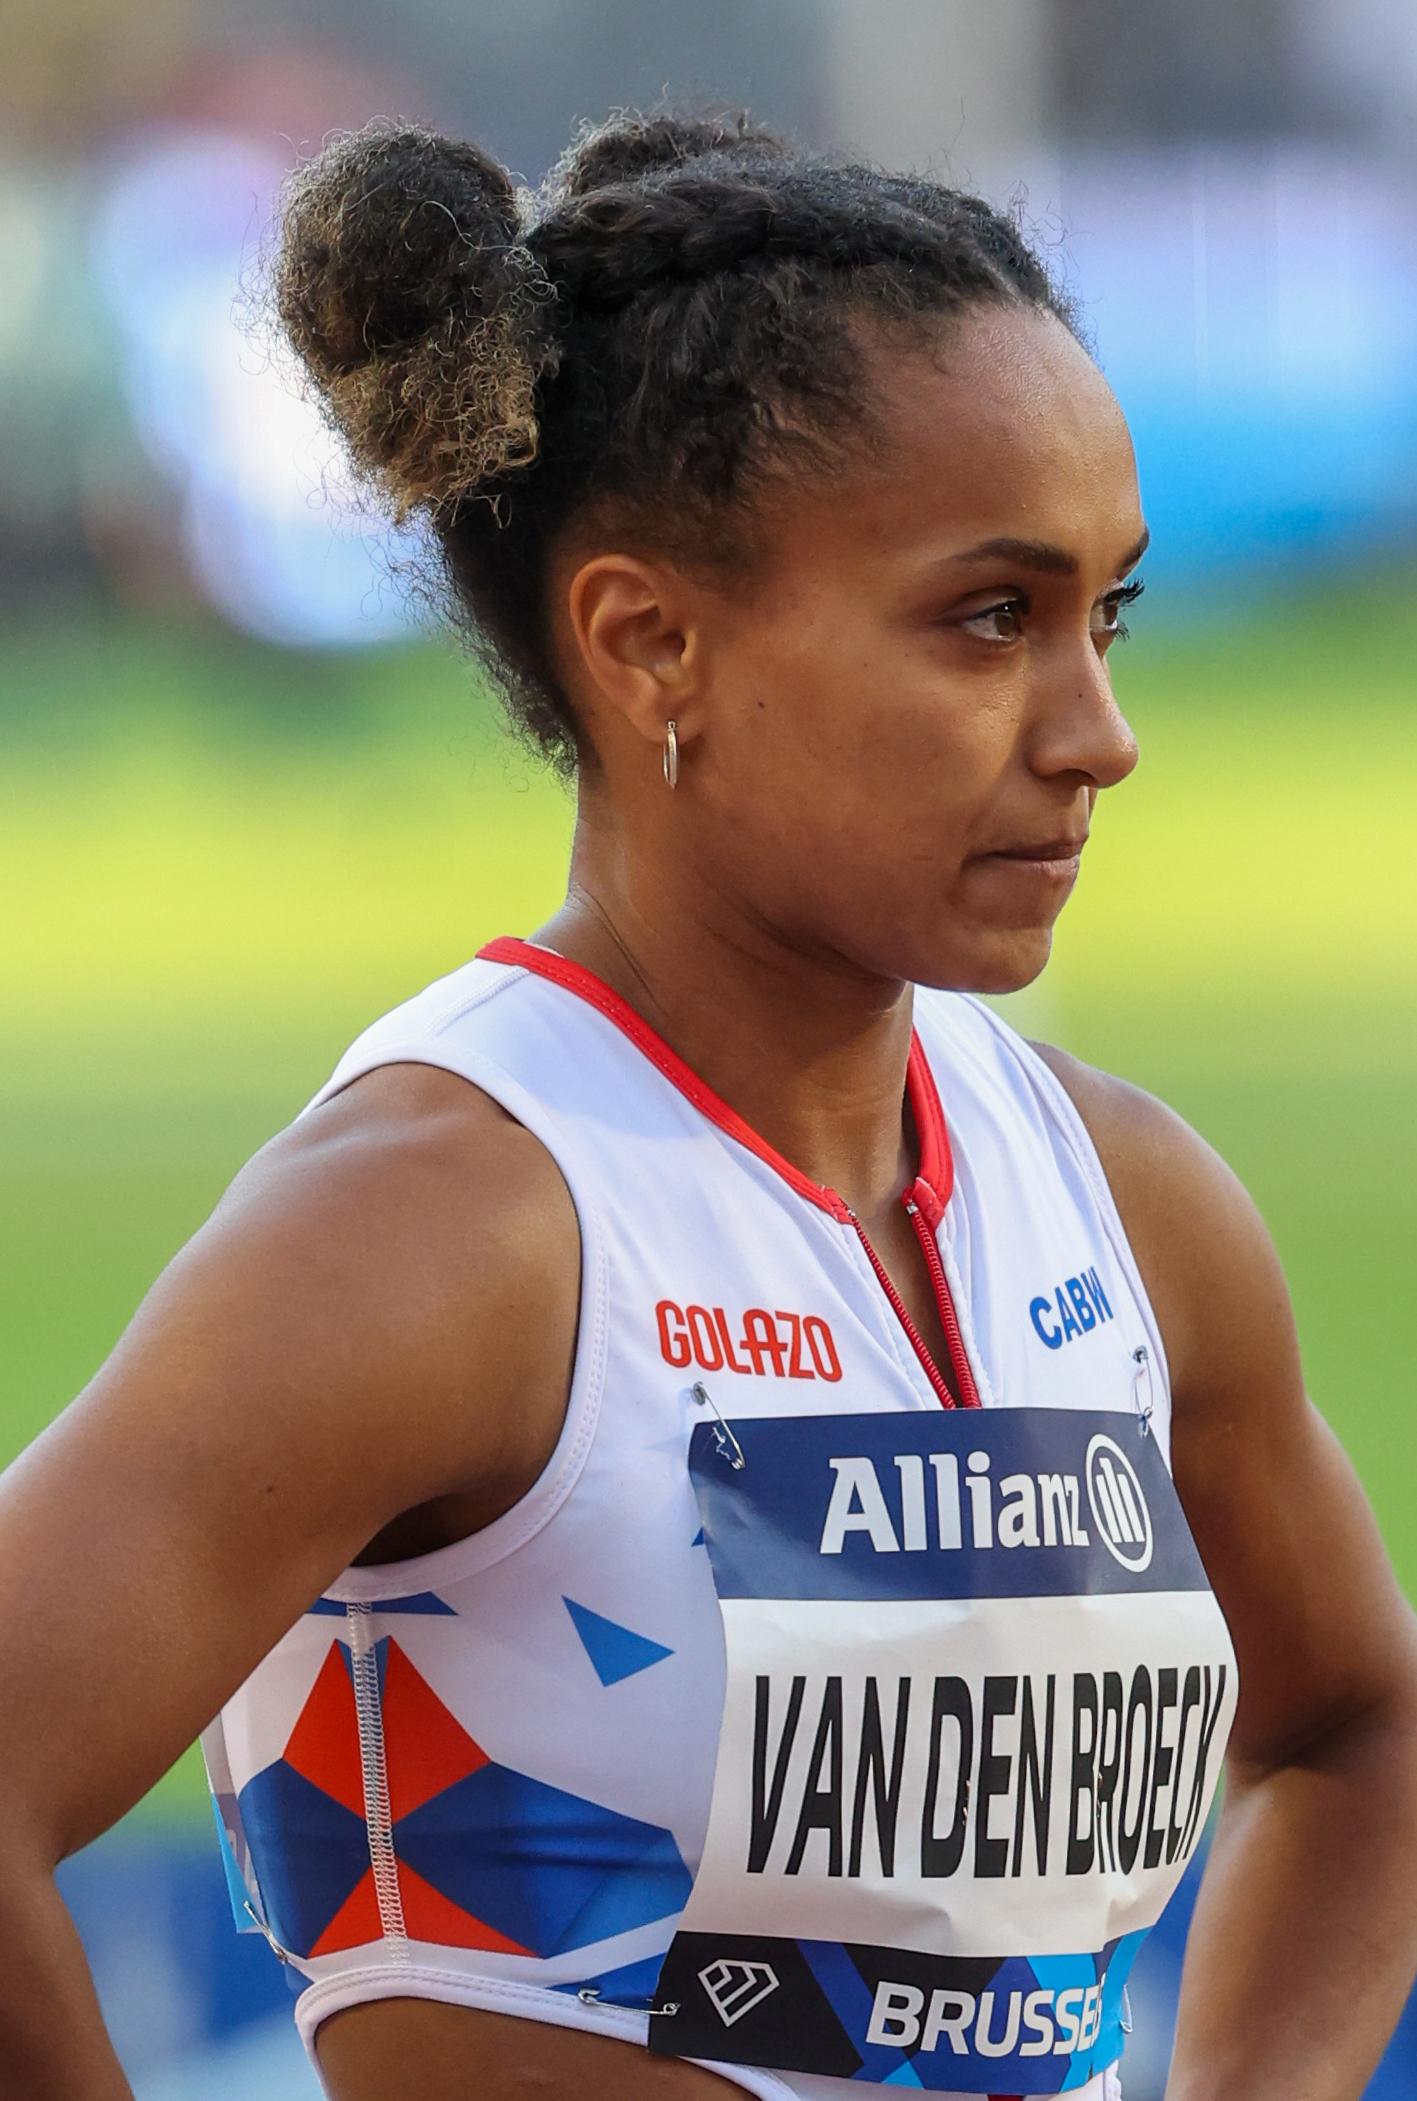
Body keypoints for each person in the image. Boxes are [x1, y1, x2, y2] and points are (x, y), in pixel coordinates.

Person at [1, 102, 1415, 2101]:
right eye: (988, 619)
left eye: (1109, 613)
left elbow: (1359, 1727)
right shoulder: (451, 1223)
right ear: (650, 641)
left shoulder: (1123, 1197)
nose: (1098, 733)